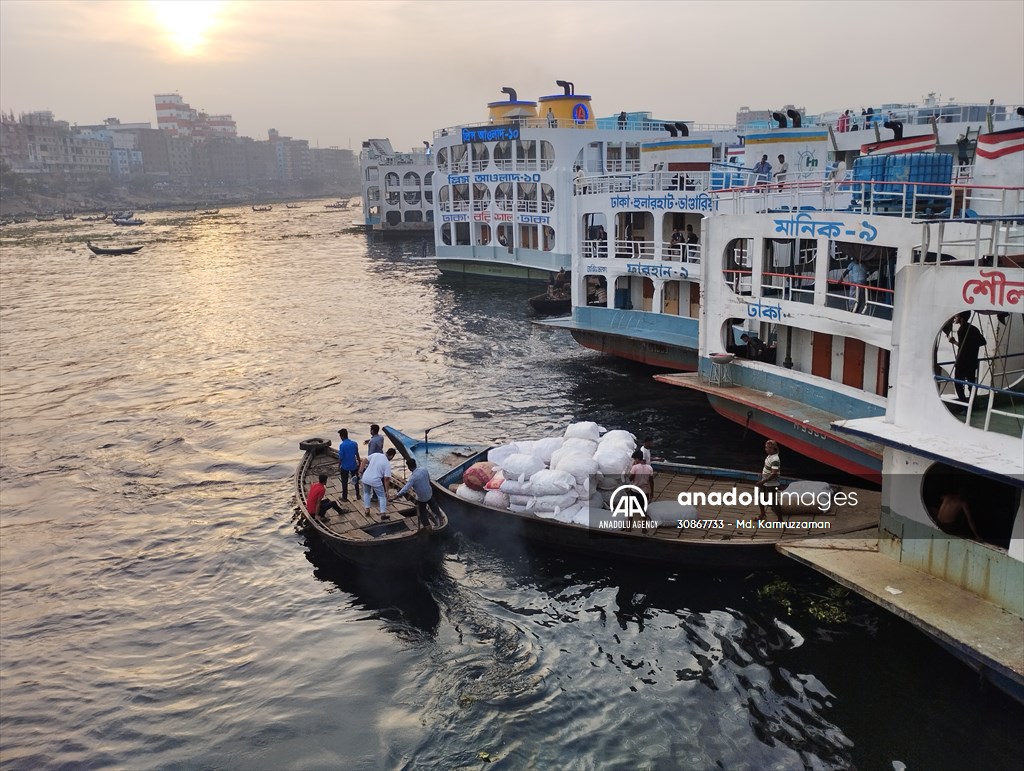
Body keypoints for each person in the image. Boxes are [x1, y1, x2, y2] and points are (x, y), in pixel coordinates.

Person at [948, 312, 987, 402]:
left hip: (962, 362)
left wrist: (954, 342)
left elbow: (963, 347)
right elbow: (983, 342)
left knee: (958, 384)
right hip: (972, 361)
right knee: (971, 384)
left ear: (961, 319)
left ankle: (964, 405)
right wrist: (973, 345)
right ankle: (972, 404)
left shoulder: (962, 330)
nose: (955, 317)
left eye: (956, 316)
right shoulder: (974, 329)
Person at [396, 458, 444, 529]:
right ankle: (441, 518)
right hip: (429, 494)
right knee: (434, 506)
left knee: (422, 513)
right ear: (415, 464)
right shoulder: (424, 469)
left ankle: (428, 527)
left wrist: (396, 496)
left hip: (422, 498)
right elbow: (428, 479)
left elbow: (404, 490)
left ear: (409, 468)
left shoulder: (413, 478)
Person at [360, 447, 396, 517]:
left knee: (366, 493)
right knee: (382, 496)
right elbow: (386, 479)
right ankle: (383, 514)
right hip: (375, 480)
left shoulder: (376, 454)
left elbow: (364, 460)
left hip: (366, 478)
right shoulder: (387, 464)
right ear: (392, 456)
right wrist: (387, 491)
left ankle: (367, 510)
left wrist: (360, 471)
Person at [756, 440, 781, 520]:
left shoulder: (775, 460)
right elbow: (768, 468)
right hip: (765, 481)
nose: (766, 449)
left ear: (772, 449)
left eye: (767, 448)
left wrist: (763, 481)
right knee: (760, 498)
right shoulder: (770, 456)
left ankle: (780, 519)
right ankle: (762, 515)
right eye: (766, 447)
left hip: (771, 484)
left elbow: (774, 474)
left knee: (773, 502)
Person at [337, 428, 360, 500]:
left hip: (345, 467)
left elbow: (341, 457)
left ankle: (344, 497)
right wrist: (359, 462)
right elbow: (357, 454)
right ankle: (358, 495)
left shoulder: (342, 445)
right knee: (356, 480)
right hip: (353, 465)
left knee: (344, 482)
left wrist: (339, 466)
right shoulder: (354, 443)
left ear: (342, 436)